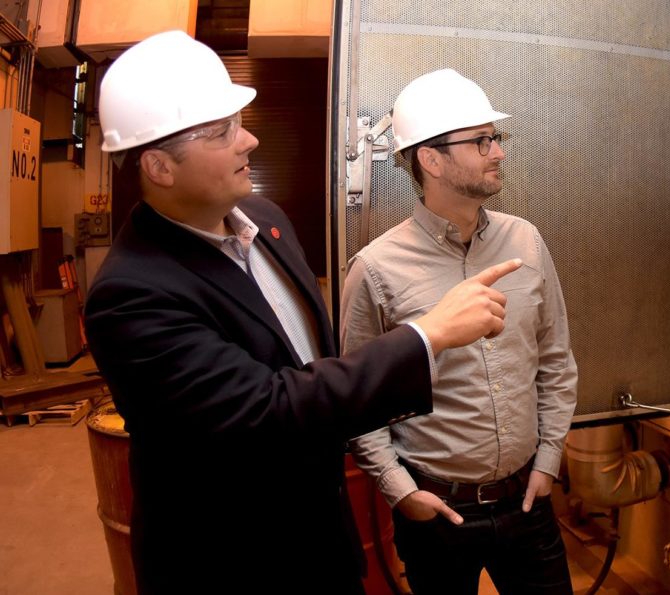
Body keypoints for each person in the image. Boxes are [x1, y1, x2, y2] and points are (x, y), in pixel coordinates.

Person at [84, 32, 520, 595]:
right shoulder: (132, 296)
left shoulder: (263, 219)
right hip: (231, 560)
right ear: (159, 167)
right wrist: (426, 336)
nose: (250, 140)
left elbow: (317, 362)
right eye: (222, 132)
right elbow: (266, 411)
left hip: (321, 540)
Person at [342, 68, 578, 595]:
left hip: (528, 503)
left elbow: (556, 360)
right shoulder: (377, 269)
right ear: (430, 159)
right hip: (438, 517)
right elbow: (358, 401)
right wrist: (401, 492)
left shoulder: (527, 242)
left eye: (496, 138)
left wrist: (548, 460)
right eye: (481, 140)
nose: (498, 151)